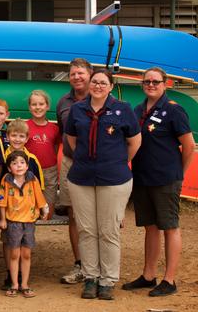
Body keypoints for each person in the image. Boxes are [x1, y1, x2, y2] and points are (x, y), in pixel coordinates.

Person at [64, 69, 142, 300]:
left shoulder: (123, 109)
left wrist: (118, 162)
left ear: (110, 87)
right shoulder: (78, 109)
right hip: (82, 178)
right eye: (95, 82)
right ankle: (90, 277)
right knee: (87, 230)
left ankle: (107, 280)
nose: (98, 86)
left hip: (114, 179)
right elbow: (72, 139)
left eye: (103, 83)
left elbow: (134, 142)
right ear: (89, 84)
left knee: (108, 230)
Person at [123, 67, 195, 297]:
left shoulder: (174, 111)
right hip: (143, 178)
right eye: (147, 81)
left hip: (166, 179)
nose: (151, 85)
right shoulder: (138, 110)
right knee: (150, 228)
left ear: (166, 84)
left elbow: (189, 146)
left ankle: (169, 280)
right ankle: (148, 275)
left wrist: (178, 172)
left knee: (170, 227)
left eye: (155, 81)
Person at [55, 58, 92, 285]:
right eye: (72, 74)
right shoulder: (63, 103)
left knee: (94, 216)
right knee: (73, 215)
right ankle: (80, 264)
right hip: (71, 162)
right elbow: (63, 134)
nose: (76, 77)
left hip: (96, 164)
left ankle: (95, 266)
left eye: (80, 73)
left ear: (90, 74)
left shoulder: (103, 98)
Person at [0, 118, 45, 290]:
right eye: (13, 136)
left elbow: (39, 185)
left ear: (27, 138)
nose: (17, 139)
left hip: (26, 211)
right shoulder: (3, 156)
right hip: (8, 209)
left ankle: (22, 276)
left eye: (21, 136)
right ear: (8, 136)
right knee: (8, 241)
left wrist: (41, 207)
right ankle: (10, 274)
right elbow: (0, 183)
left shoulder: (31, 159)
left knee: (24, 246)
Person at [0, 150, 48, 298]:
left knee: (26, 254)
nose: (18, 166)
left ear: (27, 166)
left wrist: (44, 210)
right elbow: (2, 201)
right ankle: (14, 284)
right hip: (13, 222)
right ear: (9, 168)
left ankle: (25, 284)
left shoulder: (32, 179)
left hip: (29, 222)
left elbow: (39, 196)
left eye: (21, 163)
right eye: (14, 163)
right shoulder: (6, 180)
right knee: (14, 254)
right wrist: (2, 219)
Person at [25, 90, 61, 217]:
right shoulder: (25, 126)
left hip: (49, 171)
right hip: (29, 170)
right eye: (34, 104)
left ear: (47, 106)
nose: (38, 107)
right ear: (29, 107)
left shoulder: (54, 128)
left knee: (47, 213)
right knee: (29, 208)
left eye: (41, 104)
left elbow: (55, 147)